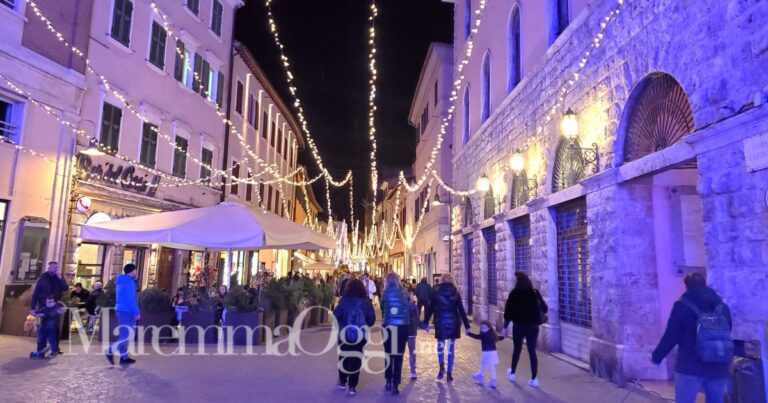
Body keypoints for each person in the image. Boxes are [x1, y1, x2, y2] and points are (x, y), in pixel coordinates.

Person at [651, 272, 732, 403]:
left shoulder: (682, 306)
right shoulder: (722, 307)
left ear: (687, 286)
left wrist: (657, 356)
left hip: (690, 365)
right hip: (718, 365)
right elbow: (728, 331)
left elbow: (671, 335)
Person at [502, 271, 547, 387]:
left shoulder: (514, 294)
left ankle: (512, 373)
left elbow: (508, 313)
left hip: (519, 326)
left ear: (518, 282)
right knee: (532, 351)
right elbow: (545, 308)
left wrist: (504, 328)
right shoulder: (534, 292)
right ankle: (534, 378)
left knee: (517, 349)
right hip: (533, 326)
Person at [423, 273, 471, 382]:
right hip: (453, 322)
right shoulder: (456, 292)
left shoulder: (436, 292)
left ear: (442, 280)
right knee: (451, 349)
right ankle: (449, 373)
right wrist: (467, 326)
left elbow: (430, 308)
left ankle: (441, 368)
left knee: (440, 346)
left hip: (440, 322)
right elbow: (462, 310)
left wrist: (425, 322)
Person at [334, 278, 376, 396]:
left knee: (343, 357)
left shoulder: (343, 302)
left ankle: (342, 381)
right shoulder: (366, 303)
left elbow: (335, 317)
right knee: (356, 358)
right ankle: (352, 386)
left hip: (344, 334)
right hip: (360, 335)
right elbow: (372, 319)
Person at [380, 273, 411, 395]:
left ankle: (388, 379)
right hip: (403, 326)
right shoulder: (404, 292)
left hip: (388, 326)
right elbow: (407, 307)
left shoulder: (386, 293)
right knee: (398, 355)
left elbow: (382, 307)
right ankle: (396, 384)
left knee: (388, 354)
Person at [106, 263, 140, 365]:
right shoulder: (129, 283)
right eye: (136, 270)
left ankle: (124, 357)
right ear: (132, 271)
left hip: (120, 310)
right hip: (127, 311)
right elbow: (131, 299)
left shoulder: (121, 281)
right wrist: (136, 312)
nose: (136, 272)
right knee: (128, 335)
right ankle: (110, 351)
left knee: (124, 334)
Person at [30, 261, 68, 353]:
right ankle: (41, 349)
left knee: (55, 327)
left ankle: (55, 349)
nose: (54, 269)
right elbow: (35, 293)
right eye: (52, 267)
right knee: (43, 328)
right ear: (48, 268)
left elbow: (65, 288)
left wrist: (60, 278)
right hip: (43, 305)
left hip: (55, 306)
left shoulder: (59, 278)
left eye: (56, 267)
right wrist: (33, 307)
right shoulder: (43, 278)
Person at [469, 320, 505, 388]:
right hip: (492, 353)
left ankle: (485, 378)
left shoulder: (485, 335)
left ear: (489, 328)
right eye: (482, 327)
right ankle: (484, 377)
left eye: (484, 327)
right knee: (487, 365)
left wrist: (469, 333)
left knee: (488, 365)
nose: (483, 329)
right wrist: (503, 336)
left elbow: (476, 336)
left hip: (487, 353)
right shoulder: (492, 334)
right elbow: (499, 338)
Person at [406, 289, 420, 381]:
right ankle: (413, 371)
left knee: (400, 352)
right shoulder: (413, 306)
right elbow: (417, 320)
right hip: (411, 332)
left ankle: (397, 372)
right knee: (412, 352)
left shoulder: (401, 306)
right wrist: (424, 326)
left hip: (402, 332)